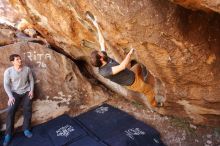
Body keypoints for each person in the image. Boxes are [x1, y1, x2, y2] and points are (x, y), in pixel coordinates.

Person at [88, 12, 161, 109]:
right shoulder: (105, 71)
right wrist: (130, 53)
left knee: (138, 66)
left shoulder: (104, 58)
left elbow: (101, 42)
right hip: (133, 82)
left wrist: (96, 25)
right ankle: (155, 105)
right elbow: (122, 66)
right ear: (100, 58)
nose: (101, 52)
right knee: (149, 90)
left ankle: (144, 78)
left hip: (130, 73)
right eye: (100, 53)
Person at [3, 54, 34, 146]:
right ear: (12, 62)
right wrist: (10, 96)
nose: (20, 60)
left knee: (27, 109)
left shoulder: (27, 69)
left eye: (20, 58)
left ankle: (26, 129)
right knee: (10, 110)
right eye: (17, 59)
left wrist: (31, 91)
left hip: (26, 92)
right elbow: (6, 85)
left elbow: (31, 80)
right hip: (15, 93)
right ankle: (8, 134)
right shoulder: (8, 71)